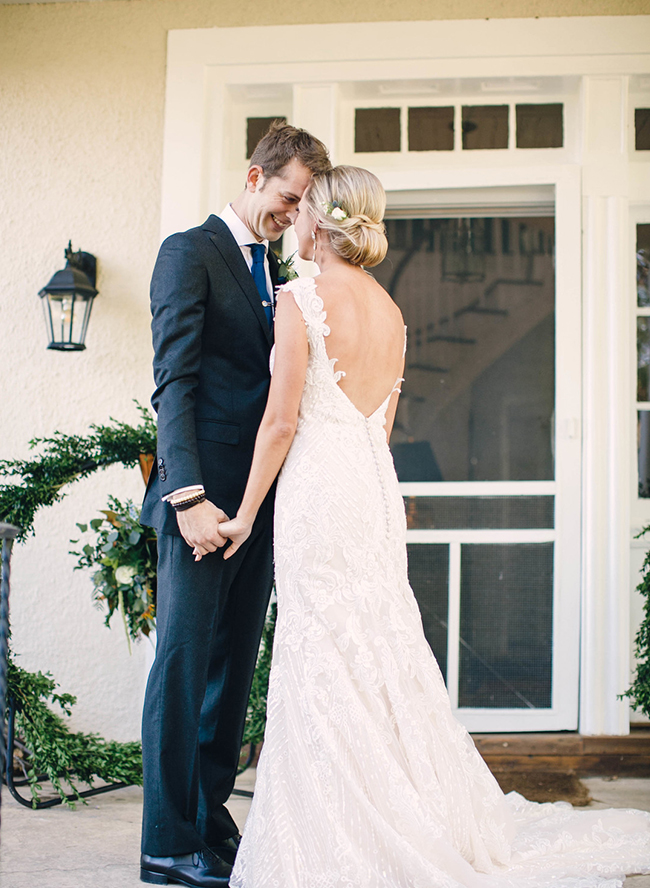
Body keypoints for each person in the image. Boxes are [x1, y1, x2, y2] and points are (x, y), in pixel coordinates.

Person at [215, 165, 650, 888]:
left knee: (321, 644)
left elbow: (282, 420)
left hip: (321, 488)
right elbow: (380, 428)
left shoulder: (300, 299)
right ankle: (410, 806)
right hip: (371, 487)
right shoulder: (392, 311)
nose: (291, 221)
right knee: (380, 643)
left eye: (301, 212)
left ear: (319, 221)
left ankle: (344, 826)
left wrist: (247, 512)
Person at [138, 122, 331, 888]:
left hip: (258, 504)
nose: (294, 212)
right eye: (288, 197)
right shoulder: (189, 253)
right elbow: (174, 381)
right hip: (202, 504)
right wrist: (185, 497)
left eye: (303, 202)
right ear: (255, 178)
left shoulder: (274, 271)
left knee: (230, 671)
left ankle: (208, 821)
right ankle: (164, 843)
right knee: (183, 670)